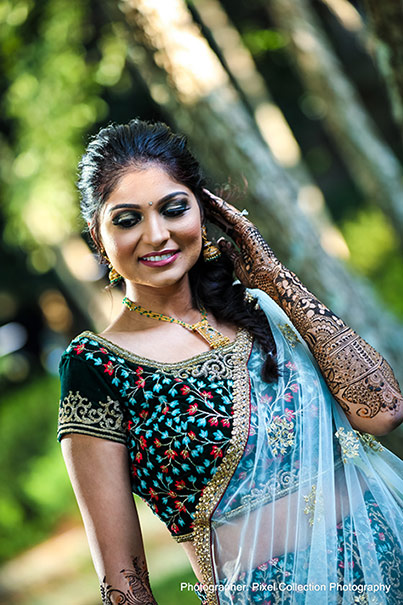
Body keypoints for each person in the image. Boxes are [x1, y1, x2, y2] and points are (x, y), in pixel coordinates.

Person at [57, 119, 403, 605]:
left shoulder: (262, 309)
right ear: (99, 237)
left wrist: (273, 275)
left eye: (174, 209)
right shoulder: (96, 366)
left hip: (386, 559)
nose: (157, 235)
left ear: (205, 211)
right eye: (128, 219)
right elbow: (122, 579)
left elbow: (383, 411)